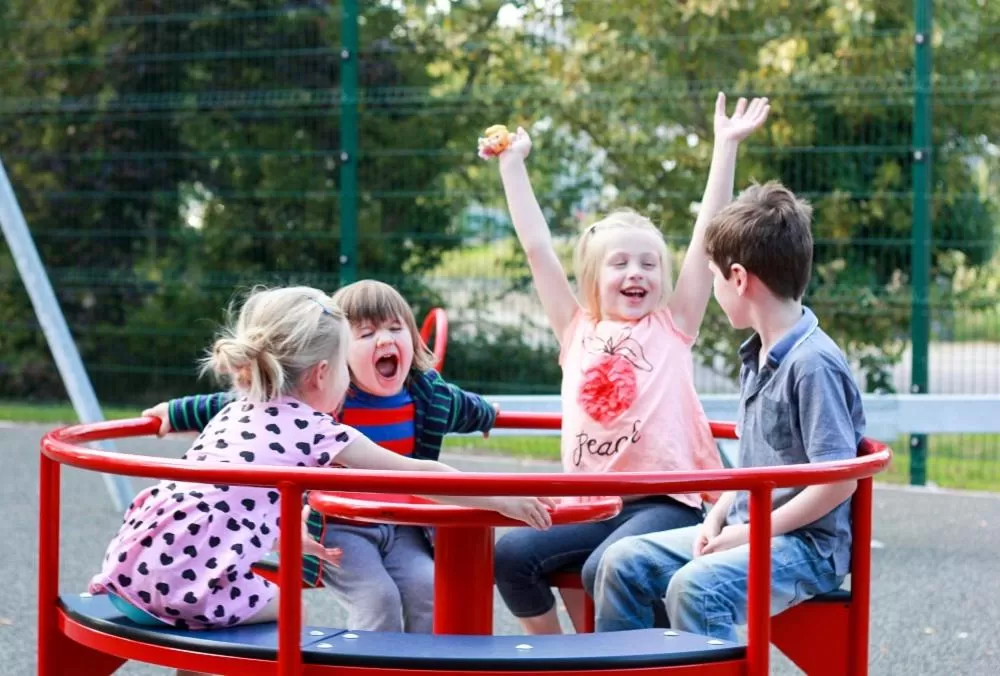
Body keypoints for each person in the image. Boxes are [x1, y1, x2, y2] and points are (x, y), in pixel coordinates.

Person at [90, 286, 553, 676]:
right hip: (196, 587)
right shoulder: (317, 428)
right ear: (324, 373)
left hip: (133, 571)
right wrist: (502, 499)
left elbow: (240, 492)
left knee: (416, 587)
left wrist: (288, 526)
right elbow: (418, 472)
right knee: (284, 610)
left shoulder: (240, 407)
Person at [488, 93, 770, 634]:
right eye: (620, 263)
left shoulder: (672, 325)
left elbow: (705, 234)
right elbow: (537, 250)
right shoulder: (575, 330)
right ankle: (564, 661)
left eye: (648, 263)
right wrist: (512, 165)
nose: (635, 272)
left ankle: (638, 659)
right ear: (594, 277)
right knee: (512, 554)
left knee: (605, 568)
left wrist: (725, 146)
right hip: (593, 505)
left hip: (666, 502)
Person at [143, 280, 502, 634]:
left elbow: (464, 406)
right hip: (341, 525)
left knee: (428, 589)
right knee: (378, 598)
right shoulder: (320, 400)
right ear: (332, 359)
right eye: (365, 334)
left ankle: (421, 668)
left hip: (402, 525)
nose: (385, 339)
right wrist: (174, 414)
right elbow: (238, 405)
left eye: (396, 328)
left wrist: (487, 414)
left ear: (413, 338)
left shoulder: (427, 395)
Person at [592, 181, 865, 642]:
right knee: (623, 563)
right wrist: (720, 514)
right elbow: (757, 464)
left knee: (696, 590)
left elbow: (839, 479)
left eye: (716, 277)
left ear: (738, 279)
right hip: (749, 526)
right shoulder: (758, 354)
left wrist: (750, 533)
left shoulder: (812, 363)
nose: (716, 288)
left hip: (806, 548)